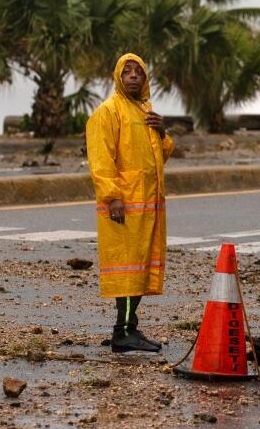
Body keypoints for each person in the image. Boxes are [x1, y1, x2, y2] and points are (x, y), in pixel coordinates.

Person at [86, 53, 174, 353]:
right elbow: (101, 160)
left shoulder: (146, 111)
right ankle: (122, 332)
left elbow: (159, 156)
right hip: (124, 207)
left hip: (147, 207)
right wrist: (112, 198)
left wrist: (162, 131)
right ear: (117, 78)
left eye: (139, 72)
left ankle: (129, 328)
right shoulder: (108, 112)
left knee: (138, 268)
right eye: (127, 72)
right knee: (126, 270)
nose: (134, 76)